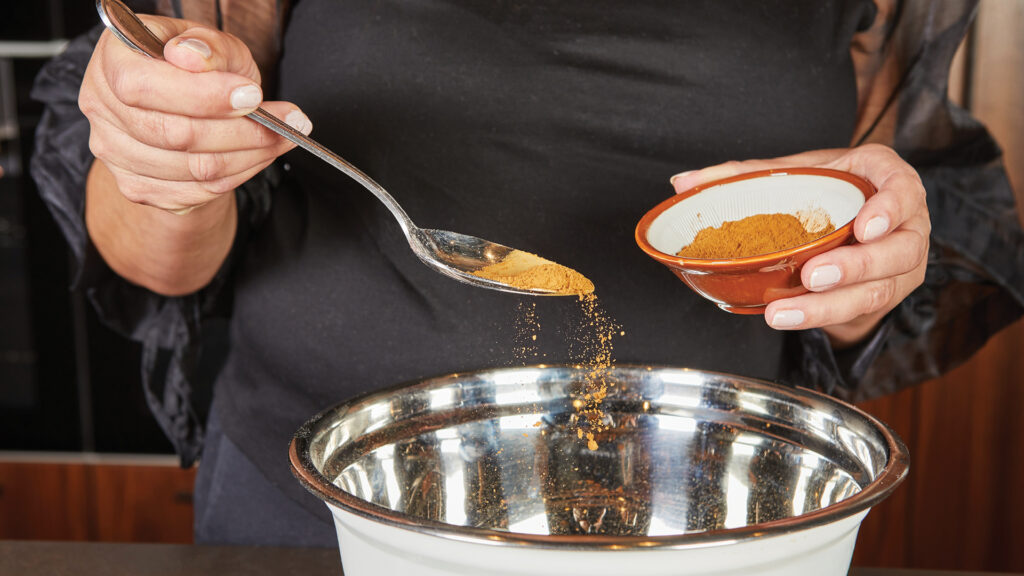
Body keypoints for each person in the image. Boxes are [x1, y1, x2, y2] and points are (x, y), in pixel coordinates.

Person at [31, 0, 1023, 547]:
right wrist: (169, 165)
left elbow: (859, 250)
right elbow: (155, 258)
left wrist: (862, 263)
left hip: (698, 520)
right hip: (317, 513)